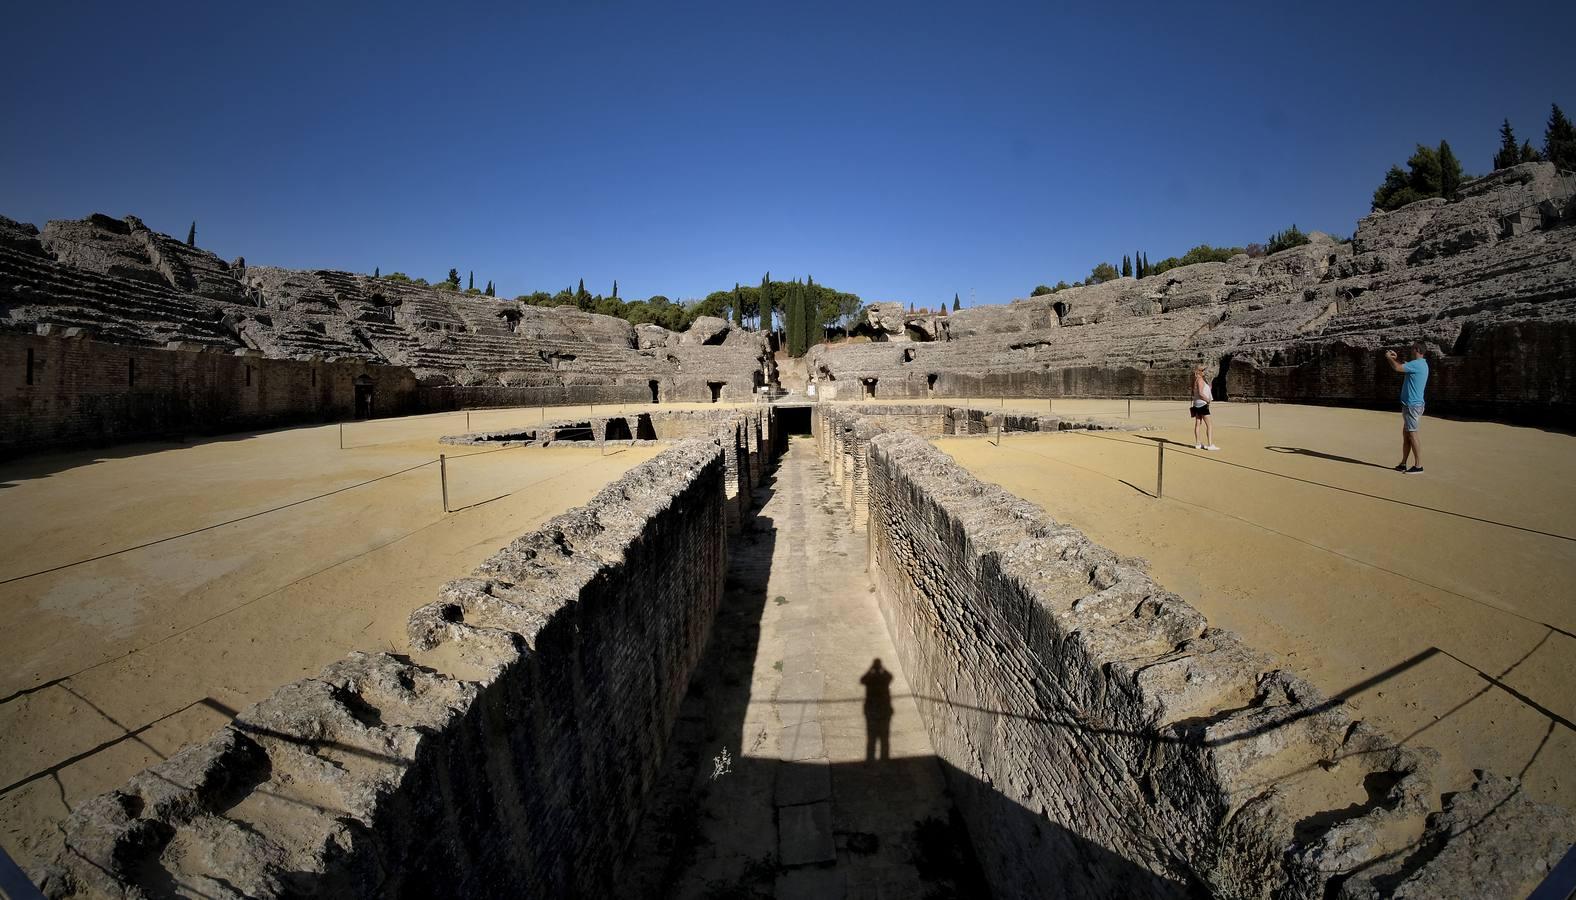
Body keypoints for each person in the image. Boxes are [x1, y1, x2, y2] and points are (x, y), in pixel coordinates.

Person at [1385, 344, 1429, 473]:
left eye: (1412, 349)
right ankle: (1403, 463)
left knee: (1412, 433)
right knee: (1406, 434)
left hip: (1412, 405)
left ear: (1417, 350)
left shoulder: (1417, 364)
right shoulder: (1421, 364)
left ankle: (1418, 465)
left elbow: (1397, 367)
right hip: (1411, 405)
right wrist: (1396, 358)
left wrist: (1389, 358)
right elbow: (1404, 365)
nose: (1410, 351)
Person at [860, 659, 894, 761]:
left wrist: (870, 670)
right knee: (884, 737)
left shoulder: (870, 678)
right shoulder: (884, 678)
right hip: (884, 709)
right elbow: (890, 676)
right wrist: (884, 669)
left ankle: (870, 759)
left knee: (872, 738)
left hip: (872, 708)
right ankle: (884, 758)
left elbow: (862, 680)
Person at [1190, 365, 1218, 450]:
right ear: (1200, 371)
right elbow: (1201, 393)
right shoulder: (1200, 380)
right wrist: (1208, 400)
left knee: (1198, 424)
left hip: (1196, 404)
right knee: (1209, 425)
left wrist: (1208, 388)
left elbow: (1195, 393)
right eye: (1203, 370)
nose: (1204, 372)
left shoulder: (1195, 381)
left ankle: (1198, 443)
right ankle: (1210, 444)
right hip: (1202, 404)